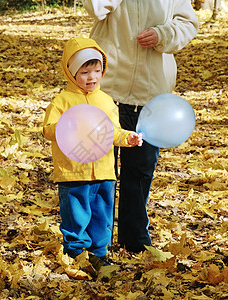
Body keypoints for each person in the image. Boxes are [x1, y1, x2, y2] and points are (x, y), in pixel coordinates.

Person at [82, 0, 200, 253]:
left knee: (140, 172)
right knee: (100, 172)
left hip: (150, 95)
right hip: (107, 91)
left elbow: (188, 23)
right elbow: (96, 7)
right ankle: (96, 244)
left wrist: (162, 34)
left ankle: (134, 240)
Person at [42, 37, 143, 264]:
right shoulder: (62, 101)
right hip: (74, 171)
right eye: (85, 72)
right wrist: (67, 125)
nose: (92, 77)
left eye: (97, 71)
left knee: (101, 215)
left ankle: (99, 254)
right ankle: (76, 253)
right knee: (76, 216)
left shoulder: (106, 101)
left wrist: (128, 138)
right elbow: (48, 130)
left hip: (104, 172)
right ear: (71, 73)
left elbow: (112, 132)